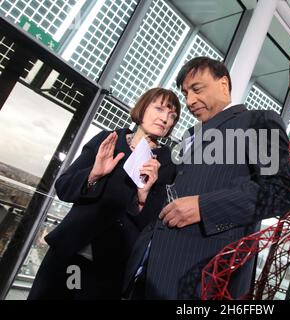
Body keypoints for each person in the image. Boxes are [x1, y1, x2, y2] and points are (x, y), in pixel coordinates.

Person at [123, 57, 290, 299]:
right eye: (185, 93)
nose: (190, 101)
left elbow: (281, 192)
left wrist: (204, 207)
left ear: (223, 84)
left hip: (200, 281)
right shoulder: (190, 134)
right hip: (147, 269)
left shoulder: (257, 122)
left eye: (197, 89)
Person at [28, 87, 181, 299]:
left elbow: (155, 225)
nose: (165, 118)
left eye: (172, 115)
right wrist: (94, 174)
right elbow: (63, 187)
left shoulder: (166, 164)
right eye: (159, 109)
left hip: (109, 268)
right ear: (143, 108)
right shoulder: (109, 140)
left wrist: (143, 195)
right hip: (67, 251)